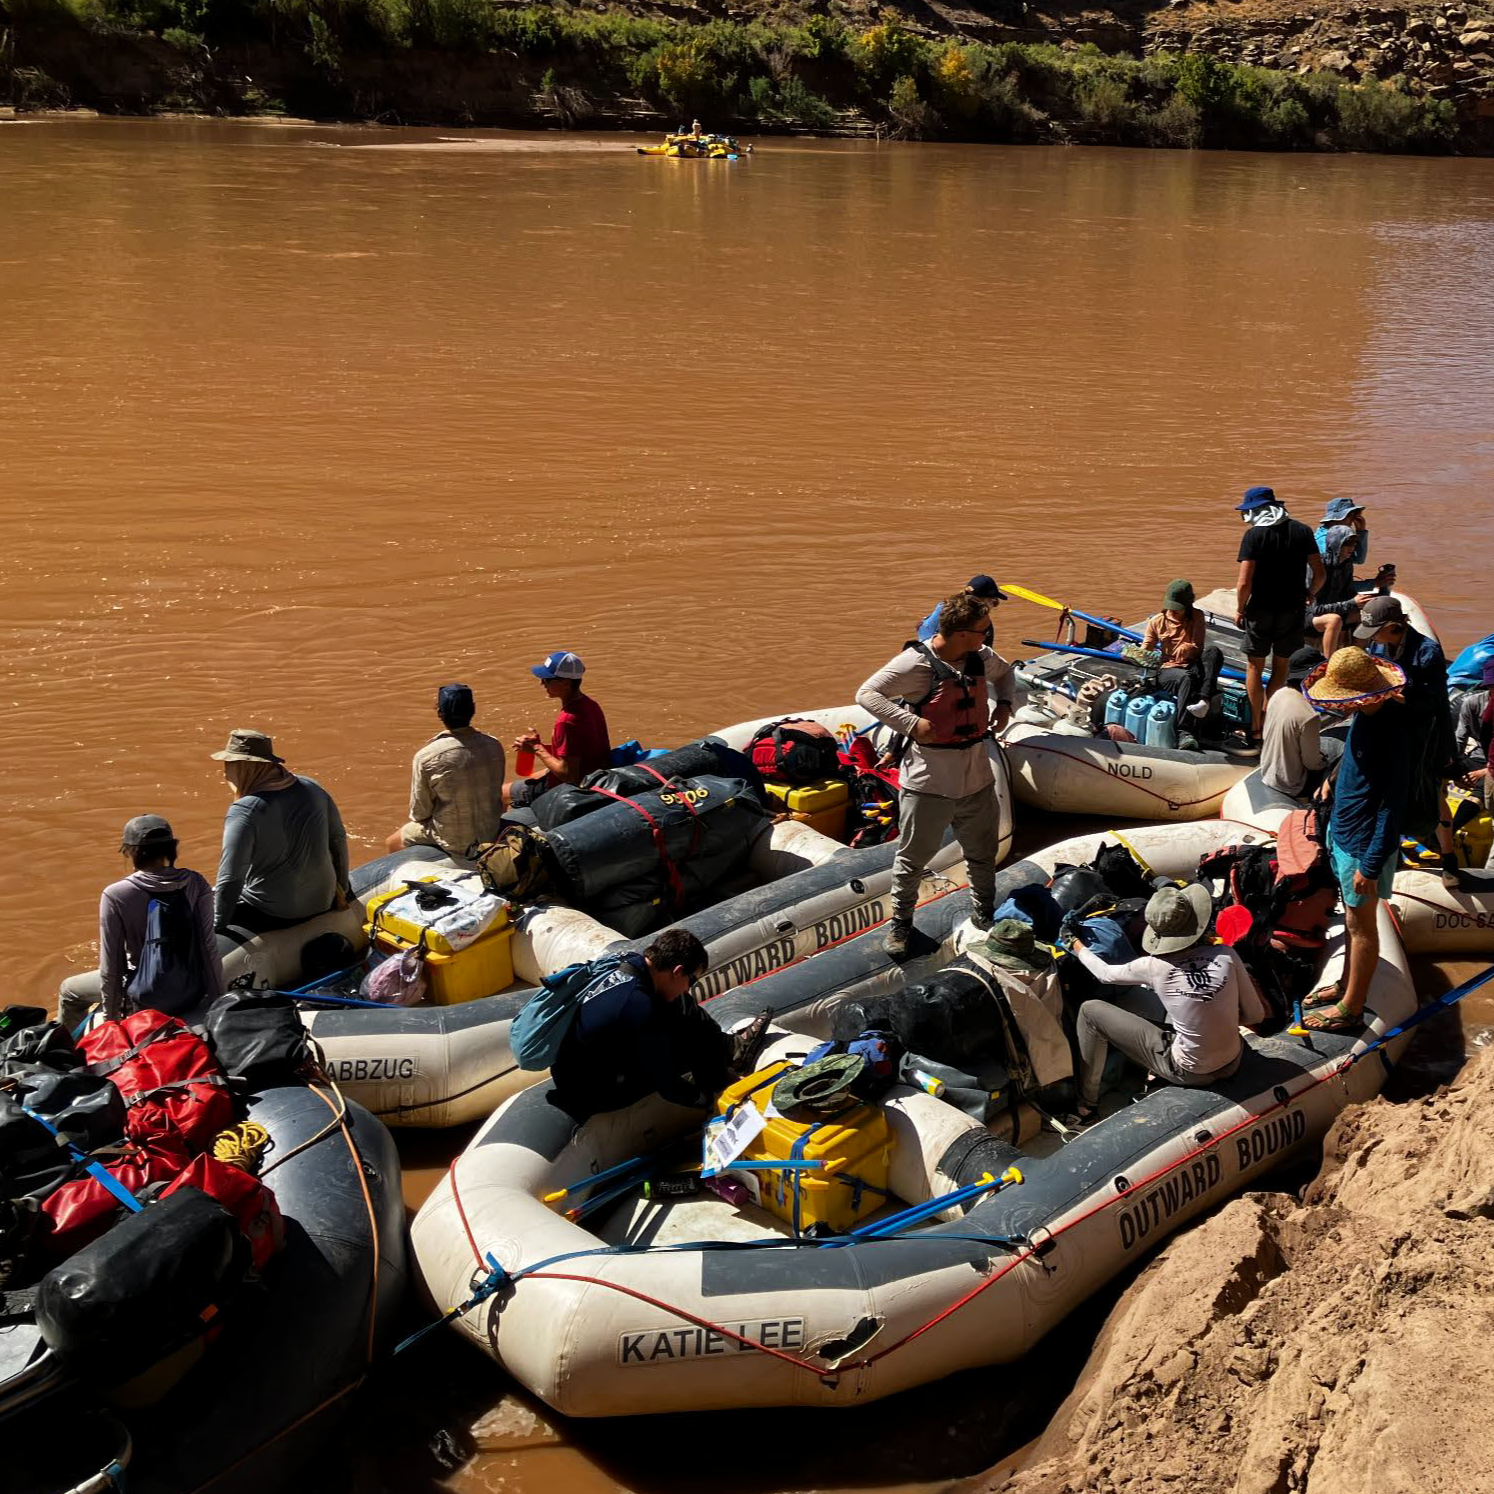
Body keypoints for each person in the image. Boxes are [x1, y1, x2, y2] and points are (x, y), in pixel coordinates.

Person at [857, 592, 1016, 959]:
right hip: (929, 783)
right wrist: (910, 722)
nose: (986, 636)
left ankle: (985, 913)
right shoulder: (914, 664)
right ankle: (900, 924)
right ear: (961, 633)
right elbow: (867, 693)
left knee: (982, 852)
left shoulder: (980, 658)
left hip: (976, 776)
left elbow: (1006, 674)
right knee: (912, 860)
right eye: (982, 630)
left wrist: (1005, 704)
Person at [1064, 884, 1260, 1127]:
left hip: (1189, 1070)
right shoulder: (1226, 954)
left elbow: (1104, 974)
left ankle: (1086, 1107)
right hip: (1232, 1061)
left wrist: (1075, 943)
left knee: (1090, 1010)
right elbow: (1255, 1014)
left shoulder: (1153, 966)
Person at [1297, 647, 1409, 1034]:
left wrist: (1371, 864)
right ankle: (1345, 985)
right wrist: (1333, 779)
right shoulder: (1368, 716)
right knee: (1350, 922)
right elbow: (1355, 759)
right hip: (1345, 831)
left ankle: (1352, 1008)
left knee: (1362, 927)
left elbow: (1392, 806)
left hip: (1363, 844)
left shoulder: (1392, 733)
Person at [547, 928, 770, 1121]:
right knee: (690, 1040)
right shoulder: (637, 1007)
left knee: (682, 1006)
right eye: (691, 980)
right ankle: (723, 1083)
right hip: (593, 1091)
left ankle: (731, 1050)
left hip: (575, 1071)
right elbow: (667, 1084)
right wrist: (702, 1100)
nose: (687, 988)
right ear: (678, 971)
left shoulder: (627, 967)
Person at [57, 815, 224, 1033]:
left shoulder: (116, 894)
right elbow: (208, 947)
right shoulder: (196, 882)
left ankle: (63, 1052)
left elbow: (112, 966)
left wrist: (111, 1022)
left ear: (130, 852)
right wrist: (219, 1004)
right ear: (171, 849)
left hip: (144, 996)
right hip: (190, 989)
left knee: (68, 990)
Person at [1356, 595, 1458, 888]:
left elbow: (1434, 702)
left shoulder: (1427, 653)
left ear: (1393, 626)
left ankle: (1449, 859)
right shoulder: (1378, 645)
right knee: (1389, 792)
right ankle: (1393, 851)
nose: (1373, 639)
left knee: (1433, 795)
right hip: (1392, 730)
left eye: (1376, 631)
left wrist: (1396, 696)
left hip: (1426, 735)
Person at [212, 729, 351, 935]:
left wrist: (217, 925)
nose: (225, 773)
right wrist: (341, 891)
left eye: (229, 765)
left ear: (246, 766)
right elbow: (338, 840)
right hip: (323, 899)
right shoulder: (312, 787)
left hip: (275, 912)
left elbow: (231, 878)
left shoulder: (245, 810)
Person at [1234, 486, 1325, 749]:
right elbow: (1319, 572)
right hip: (1293, 609)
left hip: (1260, 610)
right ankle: (1270, 718)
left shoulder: (1254, 536)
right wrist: (1310, 593)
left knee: (1254, 666)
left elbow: (1244, 582)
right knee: (1281, 667)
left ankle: (1255, 727)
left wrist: (1240, 609)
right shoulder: (1302, 531)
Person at [386, 683, 505, 857]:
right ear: (473, 709)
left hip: (454, 840)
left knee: (393, 841)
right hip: (491, 829)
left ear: (440, 713)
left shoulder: (427, 755)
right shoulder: (494, 745)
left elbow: (420, 812)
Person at [504, 651, 612, 811]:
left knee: (500, 792)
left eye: (547, 679)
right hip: (593, 775)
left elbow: (569, 775)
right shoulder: (590, 704)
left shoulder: (567, 720)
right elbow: (576, 751)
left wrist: (537, 748)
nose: (542, 683)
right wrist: (538, 747)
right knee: (531, 776)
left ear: (566, 683)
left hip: (573, 788)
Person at [1141, 579, 1223, 723]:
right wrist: (1135, 655)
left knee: (1213, 652)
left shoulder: (1197, 616)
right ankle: (1183, 730)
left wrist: (1188, 647)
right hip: (1168, 670)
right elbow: (1146, 648)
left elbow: (1198, 647)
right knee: (1185, 677)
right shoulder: (1156, 621)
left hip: (1191, 665)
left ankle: (1204, 701)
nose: (1173, 611)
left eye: (1177, 608)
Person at [1308, 524, 1395, 656]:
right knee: (1335, 619)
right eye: (1347, 543)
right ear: (1335, 544)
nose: (1352, 547)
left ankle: (1358, 657)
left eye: (1354, 543)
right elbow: (1314, 609)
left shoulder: (1346, 564)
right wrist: (1352, 603)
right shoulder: (1318, 568)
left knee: (1371, 612)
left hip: (1336, 609)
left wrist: (1377, 591)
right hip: (1310, 617)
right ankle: (1330, 664)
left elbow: (1348, 594)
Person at [1260, 650, 1328, 799]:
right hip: (1290, 784)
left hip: (1267, 772)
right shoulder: (1309, 716)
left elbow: (1266, 734)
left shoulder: (1278, 694)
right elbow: (1312, 764)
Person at [1454, 660, 1494, 869]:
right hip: (1480, 755)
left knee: (1483, 784)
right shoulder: (1473, 703)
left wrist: (1484, 772)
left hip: (1490, 766)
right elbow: (1459, 740)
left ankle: (1452, 828)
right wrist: (1454, 770)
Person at [916, 575, 1005, 644]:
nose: (994, 605)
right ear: (982, 601)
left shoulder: (945, 607)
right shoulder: (980, 622)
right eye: (992, 601)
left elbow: (923, 628)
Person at [1314, 496, 1370, 568]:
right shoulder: (1323, 539)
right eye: (1350, 515)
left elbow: (1359, 559)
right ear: (1338, 517)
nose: (1353, 520)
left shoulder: (1343, 535)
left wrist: (1361, 531)